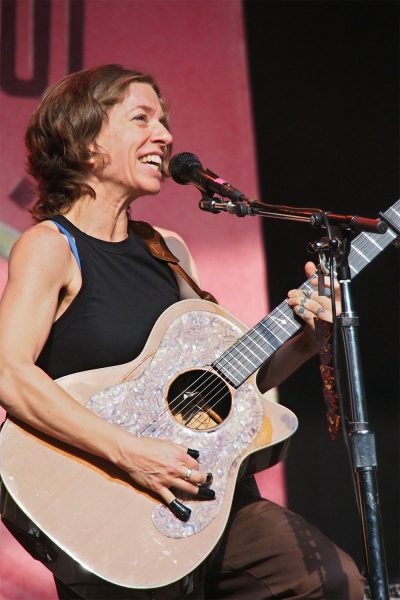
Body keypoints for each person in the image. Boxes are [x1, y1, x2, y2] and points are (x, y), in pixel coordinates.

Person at [0, 64, 364, 600]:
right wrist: (129, 452)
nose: (166, 135)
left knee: (333, 584)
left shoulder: (167, 249)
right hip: (110, 498)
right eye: (141, 118)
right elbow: (10, 373)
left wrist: (309, 339)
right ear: (84, 141)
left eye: (164, 119)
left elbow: (231, 386)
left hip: (205, 491)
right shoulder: (52, 246)